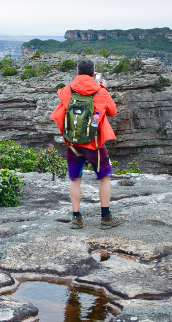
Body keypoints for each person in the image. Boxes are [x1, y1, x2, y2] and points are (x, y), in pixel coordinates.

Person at [50, 58, 121, 230]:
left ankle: (76, 218)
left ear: (77, 72)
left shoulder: (68, 90)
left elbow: (61, 95)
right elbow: (112, 111)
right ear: (93, 73)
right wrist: (102, 87)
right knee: (104, 177)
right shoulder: (100, 91)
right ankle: (105, 218)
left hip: (73, 144)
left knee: (75, 179)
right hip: (95, 144)